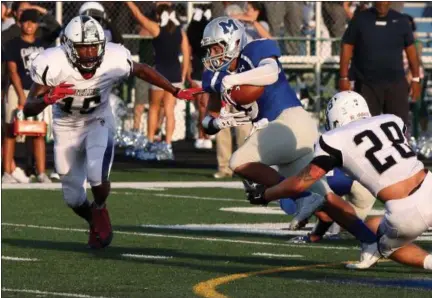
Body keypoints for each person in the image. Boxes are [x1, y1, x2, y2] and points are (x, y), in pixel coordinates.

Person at [23, 16, 198, 249]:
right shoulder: (53, 64)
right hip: (66, 125)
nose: (89, 53)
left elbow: (143, 70)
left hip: (98, 119)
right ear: (69, 47)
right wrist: (48, 98)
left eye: (93, 47)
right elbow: (28, 108)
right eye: (83, 48)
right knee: (72, 198)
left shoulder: (113, 58)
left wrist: (175, 91)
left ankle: (101, 206)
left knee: (96, 174)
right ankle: (93, 216)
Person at [247, 91, 432, 271]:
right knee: (372, 226)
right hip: (429, 185)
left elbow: (299, 184)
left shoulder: (334, 139)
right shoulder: (392, 120)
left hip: (405, 211)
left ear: (335, 117)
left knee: (380, 243)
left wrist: (265, 195)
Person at [199, 17, 331, 226]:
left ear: (233, 42)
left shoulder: (254, 50)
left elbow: (271, 73)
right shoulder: (215, 76)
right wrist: (217, 123)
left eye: (217, 49)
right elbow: (207, 120)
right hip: (281, 134)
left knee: (238, 162)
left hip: (291, 122)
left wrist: (234, 80)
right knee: (324, 199)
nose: (213, 55)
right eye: (210, 50)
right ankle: (357, 234)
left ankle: (303, 198)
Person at [126, 1, 190, 160]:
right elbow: (187, 53)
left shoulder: (156, 29)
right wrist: (182, 74)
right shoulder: (180, 32)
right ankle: (168, 145)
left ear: (158, 15)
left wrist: (128, 2)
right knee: (169, 110)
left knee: (154, 108)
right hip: (175, 75)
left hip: (159, 75)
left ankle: (149, 143)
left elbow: (138, 16)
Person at [339, 1, 421, 125]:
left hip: (395, 85)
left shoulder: (401, 21)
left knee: (398, 129)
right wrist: (343, 77)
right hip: (367, 85)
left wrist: (416, 79)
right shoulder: (360, 19)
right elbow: (347, 46)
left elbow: (411, 52)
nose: (382, 3)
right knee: (366, 128)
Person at [3, 9, 52, 183]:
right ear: (20, 23)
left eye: (33, 21)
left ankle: (41, 172)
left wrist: (41, 94)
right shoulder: (12, 44)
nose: (29, 25)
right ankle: (7, 172)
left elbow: (48, 72)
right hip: (18, 90)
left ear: (37, 24)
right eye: (25, 21)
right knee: (11, 131)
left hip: (38, 90)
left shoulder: (44, 45)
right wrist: (22, 96)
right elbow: (13, 70)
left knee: (38, 132)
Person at [187, 5, 213, 150]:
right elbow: (190, 45)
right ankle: (200, 135)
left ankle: (206, 135)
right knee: (201, 107)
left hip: (208, 70)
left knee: (206, 105)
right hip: (197, 69)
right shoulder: (194, 40)